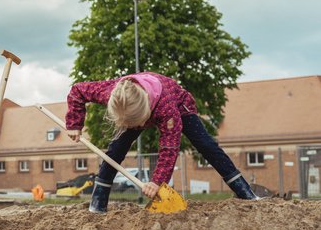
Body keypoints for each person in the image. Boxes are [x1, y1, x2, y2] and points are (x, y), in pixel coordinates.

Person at [65, 71, 262, 214]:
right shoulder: (112, 94)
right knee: (115, 150)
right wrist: (74, 123)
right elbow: (77, 92)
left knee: (206, 145)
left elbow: (169, 148)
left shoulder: (167, 110)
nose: (133, 127)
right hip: (135, 106)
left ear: (145, 115)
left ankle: (245, 192)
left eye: (135, 123)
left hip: (179, 105)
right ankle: (98, 203)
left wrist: (157, 181)